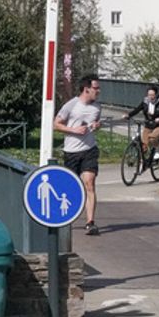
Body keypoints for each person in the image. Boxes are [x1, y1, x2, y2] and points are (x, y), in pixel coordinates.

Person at [54, 75, 102, 236]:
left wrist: (97, 125)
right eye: (96, 88)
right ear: (86, 89)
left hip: (89, 149)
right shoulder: (71, 105)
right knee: (70, 188)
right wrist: (74, 130)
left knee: (89, 182)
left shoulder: (97, 106)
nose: (98, 91)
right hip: (71, 151)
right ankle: (66, 219)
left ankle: (90, 222)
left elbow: (97, 121)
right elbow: (56, 124)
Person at [125, 86, 159, 160]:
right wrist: (128, 115)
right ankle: (145, 158)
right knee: (144, 143)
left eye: (152, 95)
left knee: (152, 138)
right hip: (149, 125)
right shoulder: (145, 102)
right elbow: (137, 109)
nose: (150, 97)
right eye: (149, 95)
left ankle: (158, 150)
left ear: (156, 95)